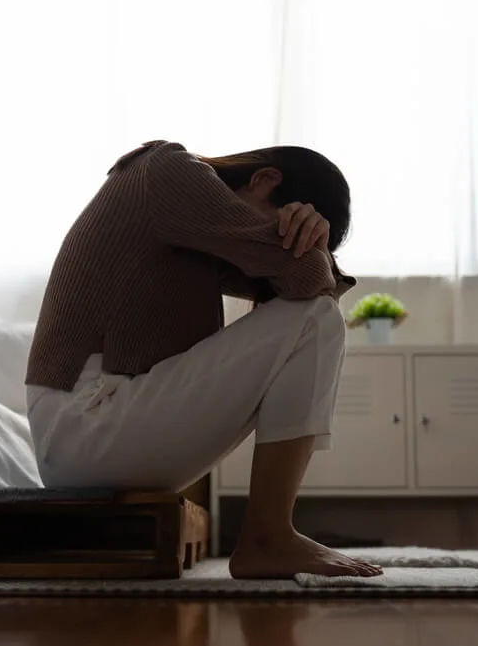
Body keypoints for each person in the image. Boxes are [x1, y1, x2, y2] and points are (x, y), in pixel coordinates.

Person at [25, 140, 383, 579]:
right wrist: (312, 251)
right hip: (84, 423)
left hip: (95, 429)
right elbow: (309, 284)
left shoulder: (197, 238)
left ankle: (269, 535)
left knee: (315, 316)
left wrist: (315, 248)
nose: (277, 239)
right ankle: (268, 536)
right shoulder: (168, 170)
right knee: (317, 319)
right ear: (265, 179)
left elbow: (298, 288)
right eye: (285, 224)